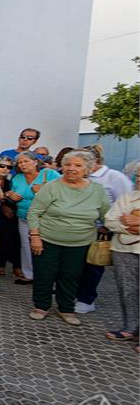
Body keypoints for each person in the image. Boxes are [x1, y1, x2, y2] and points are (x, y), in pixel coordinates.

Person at [27, 151, 109, 326]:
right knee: (44, 274)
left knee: (71, 275)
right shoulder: (51, 186)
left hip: (81, 243)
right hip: (47, 239)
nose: (71, 168)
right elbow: (34, 212)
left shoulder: (97, 190)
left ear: (87, 168)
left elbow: (107, 215)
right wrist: (35, 236)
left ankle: (66, 308)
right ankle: (41, 306)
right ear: (62, 167)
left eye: (78, 165)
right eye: (68, 164)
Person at [74, 145, 133, 313]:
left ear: (93, 161)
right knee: (76, 264)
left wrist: (108, 225)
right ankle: (75, 294)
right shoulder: (77, 176)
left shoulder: (114, 177)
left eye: (80, 162)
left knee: (93, 264)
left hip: (101, 230)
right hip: (79, 228)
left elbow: (126, 202)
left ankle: (86, 299)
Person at [5, 152, 60, 284]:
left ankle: (49, 278)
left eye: (26, 161)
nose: (22, 164)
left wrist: (44, 190)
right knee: (26, 246)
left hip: (46, 218)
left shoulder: (49, 174)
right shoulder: (17, 178)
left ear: (35, 162)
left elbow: (63, 191)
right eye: (20, 162)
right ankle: (29, 274)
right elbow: (13, 195)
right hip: (24, 217)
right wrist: (9, 194)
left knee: (47, 248)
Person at [103, 170, 139, 347]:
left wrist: (137, 223)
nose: (139, 179)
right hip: (123, 249)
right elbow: (110, 221)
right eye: (138, 175)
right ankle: (130, 327)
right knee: (127, 290)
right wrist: (130, 227)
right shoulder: (127, 197)